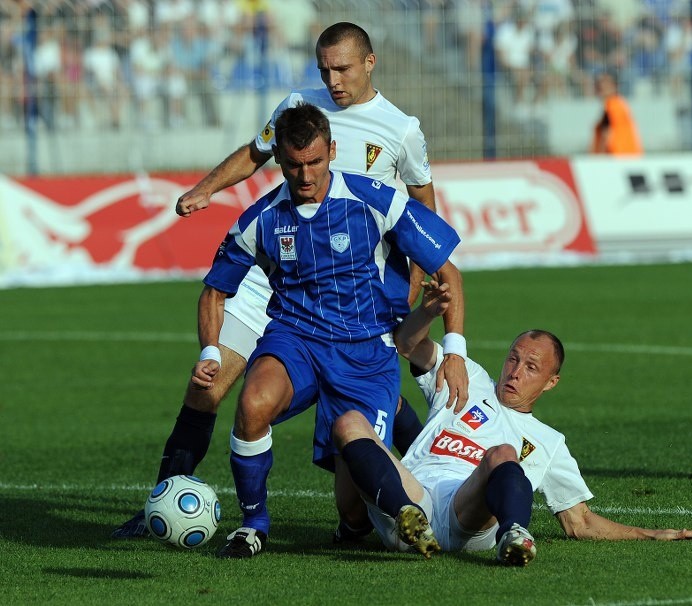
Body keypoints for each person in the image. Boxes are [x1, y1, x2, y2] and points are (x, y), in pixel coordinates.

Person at [110, 22, 463, 540]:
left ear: (369, 62)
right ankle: (163, 502)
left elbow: (421, 204)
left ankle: (430, 479)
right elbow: (255, 154)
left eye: (341, 67)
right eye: (325, 68)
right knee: (208, 388)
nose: (333, 78)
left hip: (357, 290)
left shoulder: (401, 128)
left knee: (364, 407)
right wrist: (205, 189)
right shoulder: (299, 106)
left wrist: (413, 282)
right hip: (277, 279)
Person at [199, 103, 464, 558]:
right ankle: (253, 525)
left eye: (316, 162)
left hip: (366, 350)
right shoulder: (260, 219)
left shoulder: (376, 200)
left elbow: (449, 272)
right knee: (252, 402)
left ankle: (363, 509)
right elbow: (213, 293)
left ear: (332, 151)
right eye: (295, 165)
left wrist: (455, 350)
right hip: (294, 339)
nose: (305, 176)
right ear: (279, 160)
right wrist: (209, 351)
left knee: (355, 510)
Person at [333, 281, 692, 566]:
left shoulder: (549, 442)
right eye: (513, 359)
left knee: (502, 453)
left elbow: (579, 522)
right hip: (413, 492)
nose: (515, 372)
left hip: (466, 516)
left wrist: (649, 534)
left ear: (551, 383)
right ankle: (407, 517)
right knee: (349, 420)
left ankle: (513, 534)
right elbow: (406, 343)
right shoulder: (467, 376)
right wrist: (428, 313)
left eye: (531, 368)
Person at [590, 71, 643, 156]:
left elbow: (606, 134)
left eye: (606, 84)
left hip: (620, 157)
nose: (602, 87)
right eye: (599, 84)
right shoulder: (619, 104)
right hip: (626, 156)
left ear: (615, 86)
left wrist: (598, 160)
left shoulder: (613, 105)